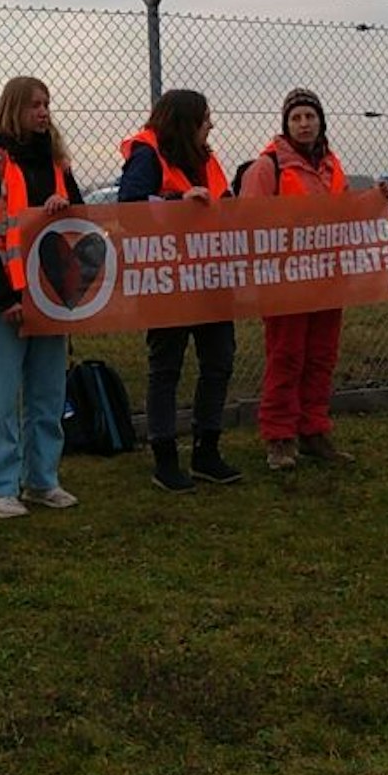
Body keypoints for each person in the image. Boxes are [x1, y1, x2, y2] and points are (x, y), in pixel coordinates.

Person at [237, 88, 388, 470]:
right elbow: (248, 219)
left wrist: (375, 200)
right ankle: (279, 438)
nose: (304, 124)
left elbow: (346, 212)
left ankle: (314, 430)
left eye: (310, 116)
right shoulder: (268, 166)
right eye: (296, 118)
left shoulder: (331, 166)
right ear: (286, 124)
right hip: (286, 285)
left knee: (321, 357)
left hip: (326, 280)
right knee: (287, 357)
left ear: (320, 121)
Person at [0, 76, 84, 518]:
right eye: (35, 104)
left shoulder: (57, 165)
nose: (44, 112)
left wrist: (64, 204)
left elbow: (80, 221)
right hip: (5, 301)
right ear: (15, 108)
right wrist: (3, 298)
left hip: (50, 296)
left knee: (48, 393)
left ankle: (42, 480)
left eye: (47, 103)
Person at [118, 88, 242, 493]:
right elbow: (129, 208)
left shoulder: (207, 158)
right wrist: (176, 200)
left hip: (210, 277)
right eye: (206, 117)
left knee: (219, 361)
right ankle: (165, 458)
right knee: (166, 368)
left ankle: (207, 450)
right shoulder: (147, 155)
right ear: (187, 121)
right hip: (168, 281)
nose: (212, 124)